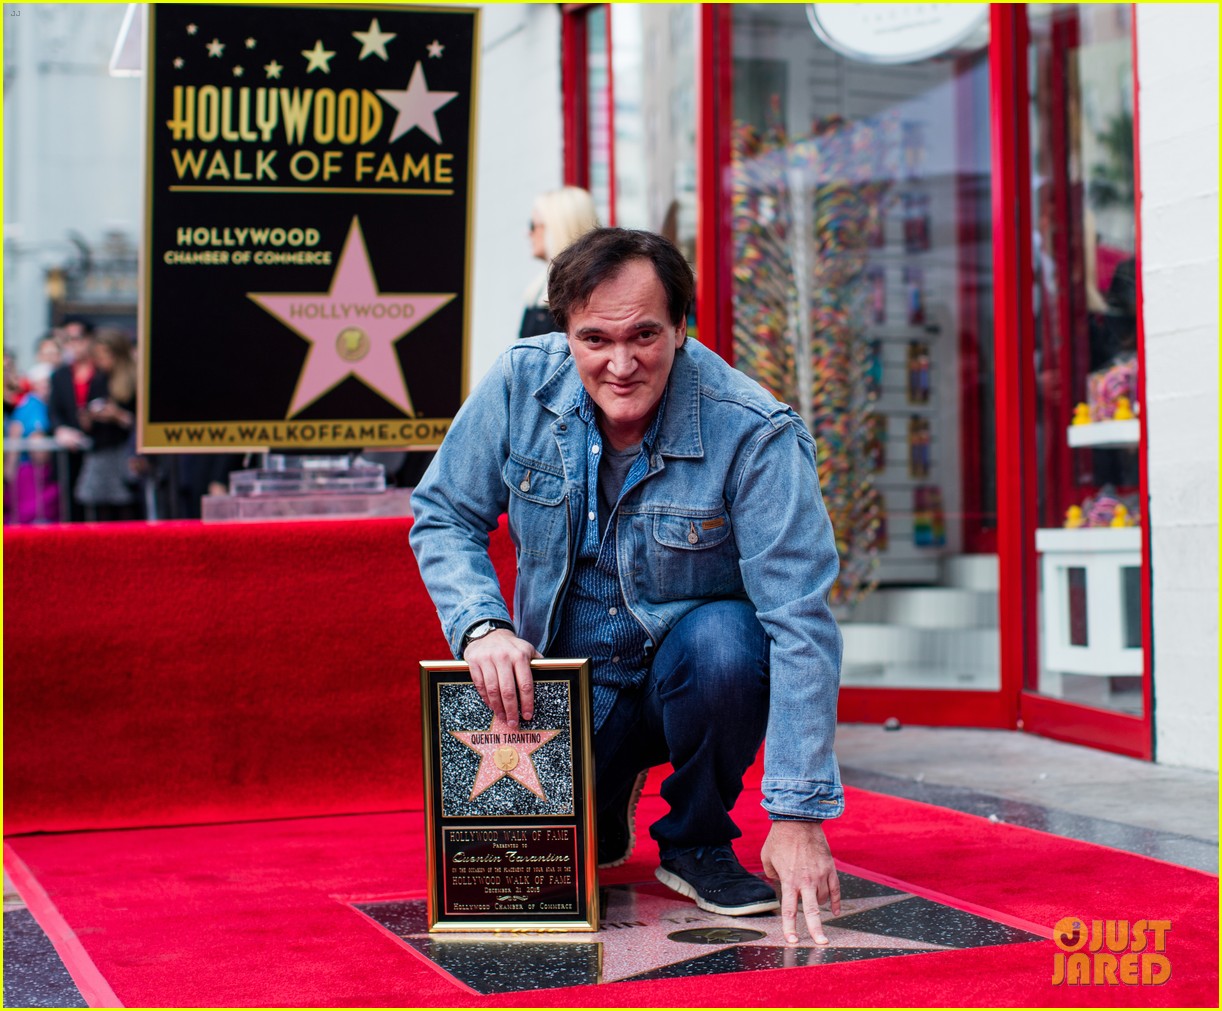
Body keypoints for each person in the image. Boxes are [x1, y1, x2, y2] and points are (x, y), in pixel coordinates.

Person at [411, 228, 844, 945]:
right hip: (569, 689)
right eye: (594, 339)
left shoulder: (755, 432)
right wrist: (482, 626)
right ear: (565, 335)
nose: (621, 363)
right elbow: (442, 513)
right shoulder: (520, 383)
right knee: (538, 862)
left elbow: (801, 620)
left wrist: (798, 818)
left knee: (729, 645)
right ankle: (604, 799)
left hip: (690, 674)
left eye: (645, 333)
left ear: (682, 325)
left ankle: (696, 836)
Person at [519, 186, 599, 340]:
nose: (528, 233)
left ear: (556, 228)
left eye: (533, 225)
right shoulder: (539, 288)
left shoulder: (582, 292)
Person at [74, 327, 137, 521]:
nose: (101, 362)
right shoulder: (98, 380)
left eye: (105, 357)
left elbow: (136, 422)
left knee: (125, 507)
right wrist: (87, 418)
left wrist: (118, 416)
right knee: (99, 509)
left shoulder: (133, 381)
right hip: (101, 449)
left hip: (123, 452)